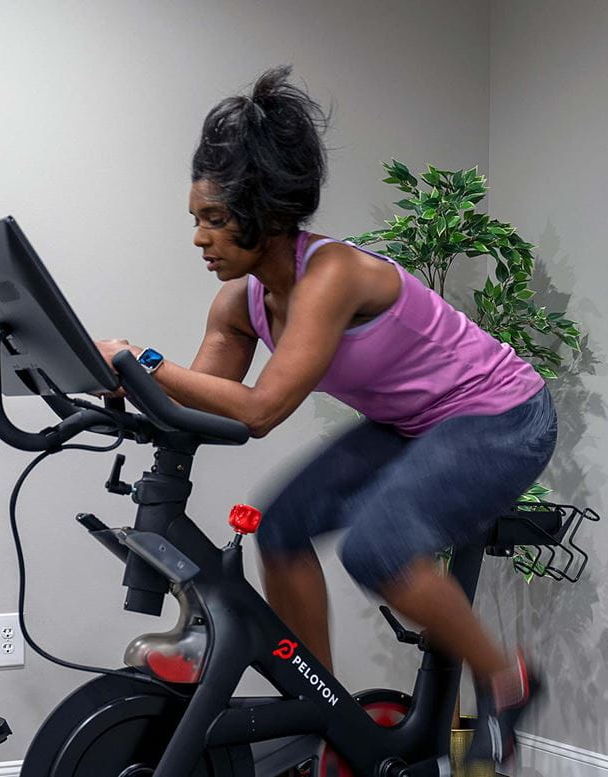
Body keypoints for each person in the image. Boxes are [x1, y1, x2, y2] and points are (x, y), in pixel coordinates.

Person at [95, 65, 557, 769]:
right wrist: (117, 382)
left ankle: (507, 679)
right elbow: (193, 400)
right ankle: (329, 710)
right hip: (413, 427)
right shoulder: (239, 303)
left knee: (378, 546)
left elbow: (260, 410)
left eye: (215, 219)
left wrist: (145, 359)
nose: (200, 238)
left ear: (267, 216)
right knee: (278, 527)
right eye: (196, 219)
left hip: (502, 415)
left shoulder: (333, 274)